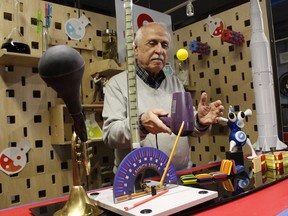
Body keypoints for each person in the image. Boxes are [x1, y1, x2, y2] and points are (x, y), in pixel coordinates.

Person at [102, 22, 224, 173]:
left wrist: (199, 121)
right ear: (135, 49)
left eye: (164, 45)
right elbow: (110, 135)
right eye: (152, 43)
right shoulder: (117, 84)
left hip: (179, 176)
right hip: (137, 182)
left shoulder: (175, 83)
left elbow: (186, 128)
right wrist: (140, 124)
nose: (159, 50)